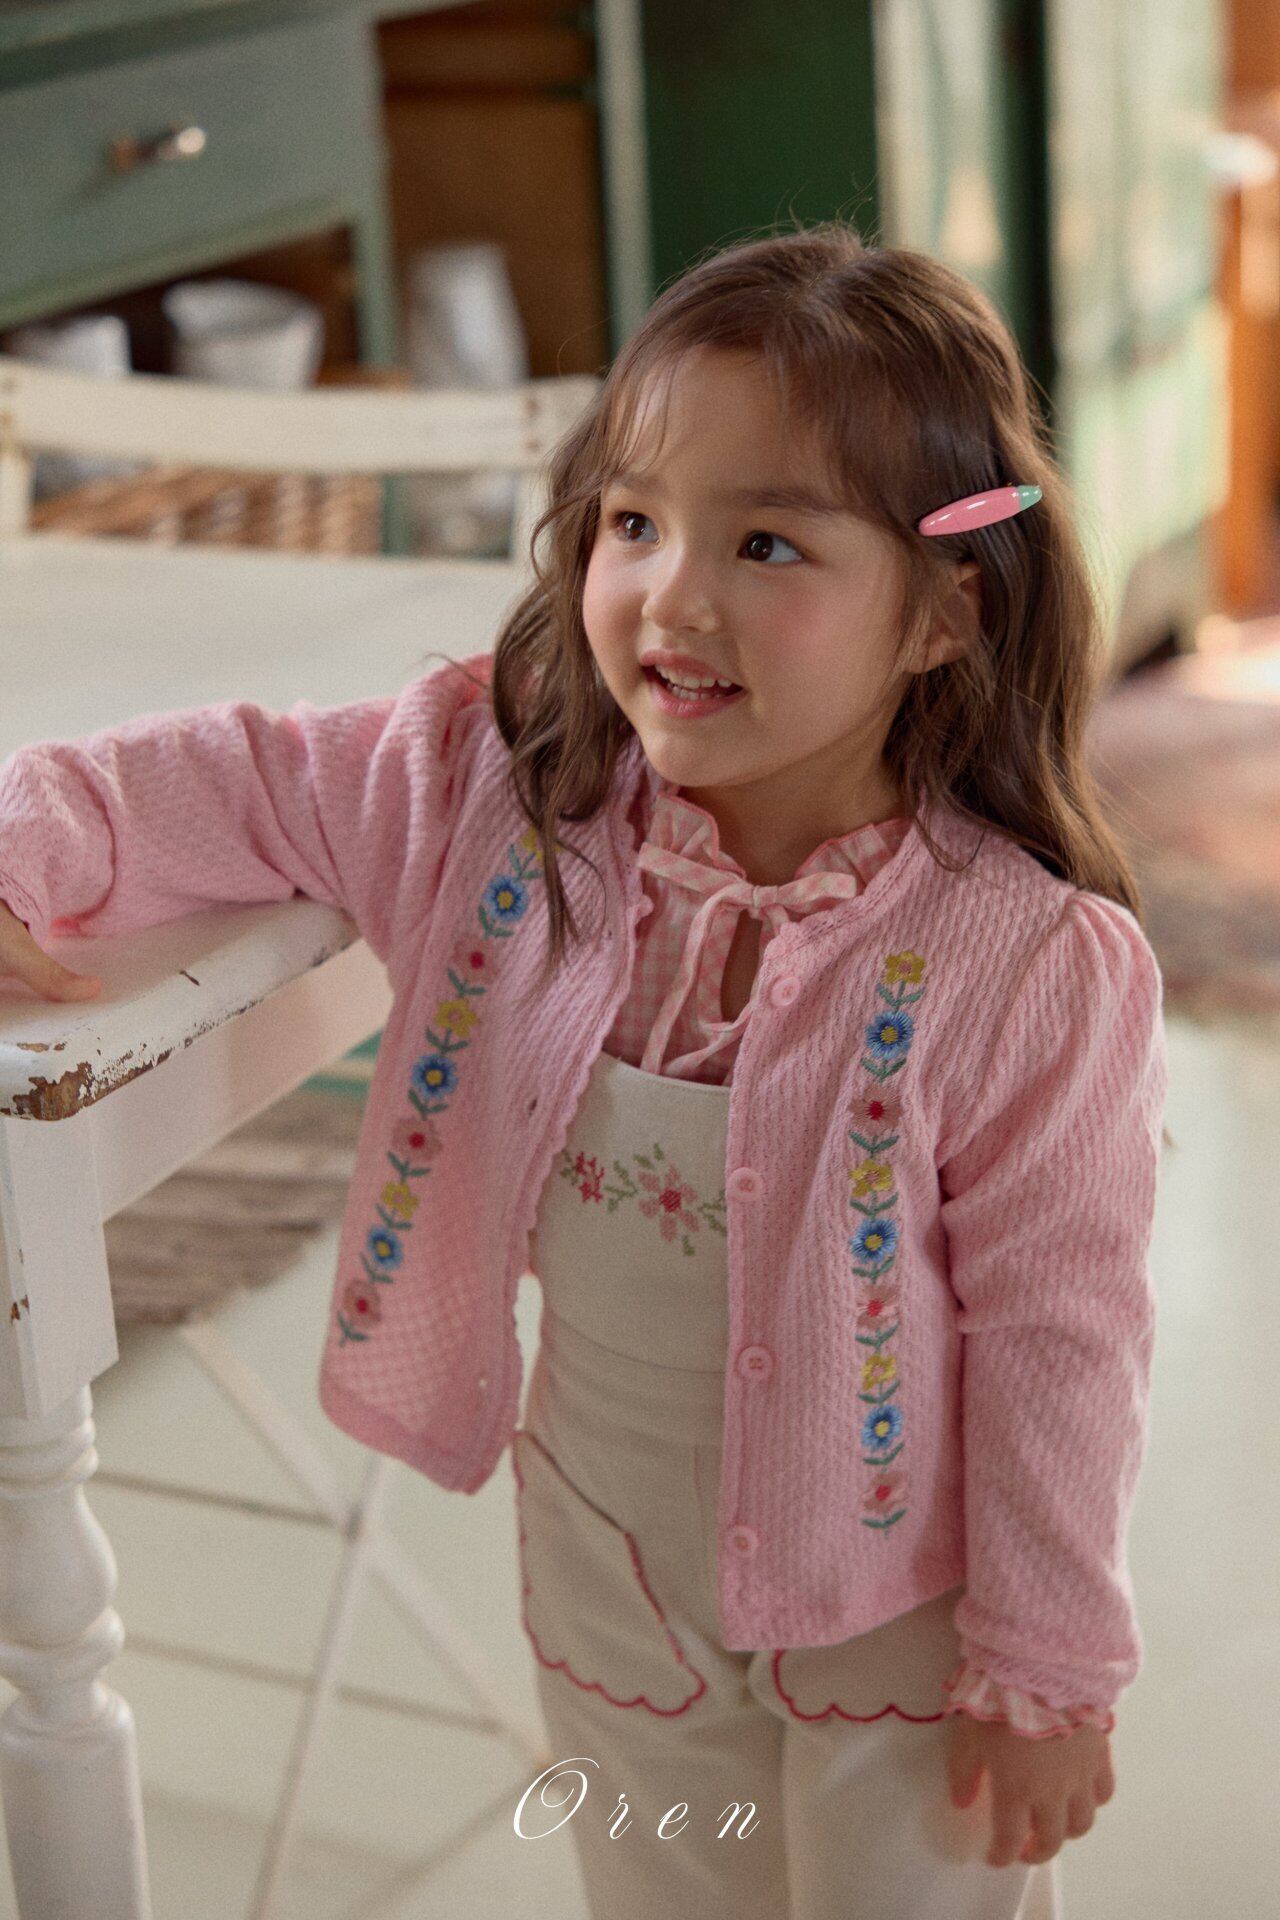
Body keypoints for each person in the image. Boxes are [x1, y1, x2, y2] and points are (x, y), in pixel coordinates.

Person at [0, 222, 1169, 1919]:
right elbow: (233, 782)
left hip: (904, 1622)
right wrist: (22, 846)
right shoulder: (500, 794)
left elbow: (1066, 1333)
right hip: (611, 1578)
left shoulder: (1027, 966)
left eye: (766, 540)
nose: (673, 596)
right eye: (633, 522)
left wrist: (1048, 1661)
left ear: (944, 610)